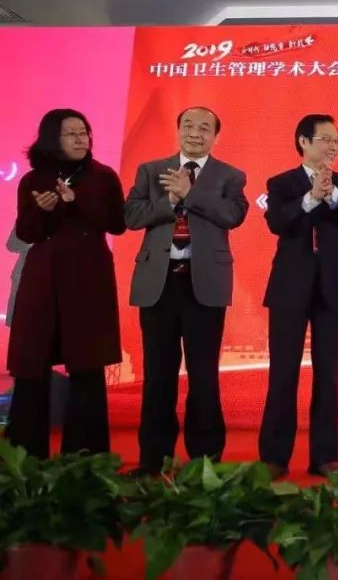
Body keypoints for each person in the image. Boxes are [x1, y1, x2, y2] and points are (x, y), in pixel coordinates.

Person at [125, 107, 248, 474]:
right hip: (159, 283)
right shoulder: (151, 170)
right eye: (189, 126)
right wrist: (169, 202)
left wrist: (189, 194)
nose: (196, 133)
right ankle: (153, 460)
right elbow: (131, 216)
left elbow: (232, 216)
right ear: (178, 130)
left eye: (205, 128)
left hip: (204, 284)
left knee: (203, 375)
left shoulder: (230, 176)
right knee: (158, 375)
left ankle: (205, 461)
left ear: (216, 136)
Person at [5, 109, 125, 458]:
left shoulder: (103, 176)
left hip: (88, 279)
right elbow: (27, 233)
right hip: (43, 279)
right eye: (71, 133)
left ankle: (86, 458)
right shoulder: (33, 179)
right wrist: (42, 210)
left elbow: (117, 224)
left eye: (83, 132)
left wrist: (77, 202)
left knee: (87, 364)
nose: (80, 138)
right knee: (32, 364)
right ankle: (26, 456)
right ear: (51, 139)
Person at [259, 114, 338, 479]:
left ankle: (324, 457)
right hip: (290, 288)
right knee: (283, 372)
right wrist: (309, 198)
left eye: (337, 140)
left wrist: (332, 195)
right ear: (303, 142)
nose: (333, 146)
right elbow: (277, 222)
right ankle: (274, 457)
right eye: (325, 139)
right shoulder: (281, 183)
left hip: (332, 288)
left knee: (328, 373)